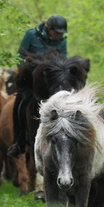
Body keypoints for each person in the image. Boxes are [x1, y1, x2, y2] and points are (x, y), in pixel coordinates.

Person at [8, 15, 68, 158]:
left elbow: (63, 62)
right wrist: (30, 69)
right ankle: (18, 142)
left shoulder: (62, 42)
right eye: (57, 32)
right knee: (19, 103)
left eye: (61, 33)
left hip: (51, 83)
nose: (59, 35)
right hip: (30, 80)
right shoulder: (31, 35)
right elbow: (19, 56)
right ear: (49, 29)